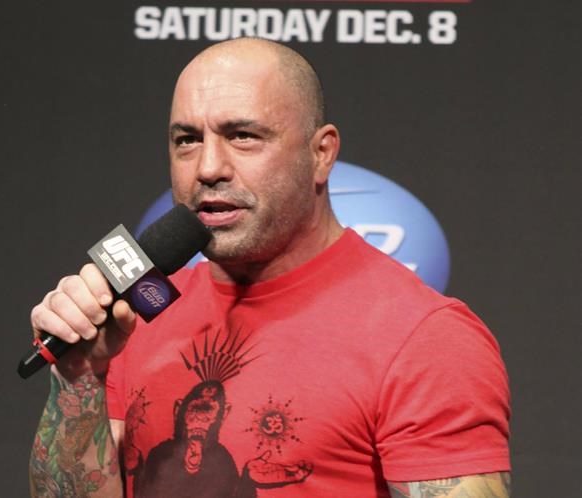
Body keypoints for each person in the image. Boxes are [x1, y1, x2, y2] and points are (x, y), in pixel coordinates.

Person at [28, 38, 511, 498]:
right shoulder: (135, 318)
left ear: (321, 154)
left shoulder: (424, 337)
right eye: (187, 140)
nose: (208, 168)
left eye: (243, 136)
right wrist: (78, 378)